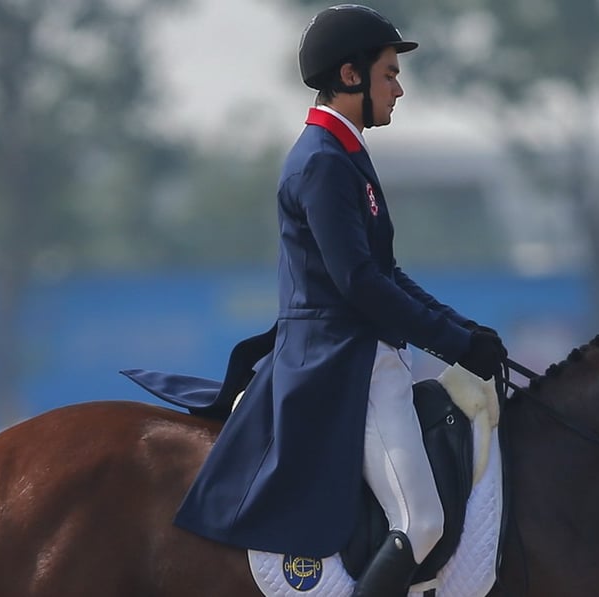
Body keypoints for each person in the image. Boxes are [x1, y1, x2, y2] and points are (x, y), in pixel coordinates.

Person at [162, 5, 507, 597]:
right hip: (342, 364)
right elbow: (360, 284)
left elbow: (385, 271)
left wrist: (466, 331)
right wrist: (452, 342)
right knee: (421, 520)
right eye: (389, 74)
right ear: (351, 76)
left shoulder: (347, 154)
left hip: (364, 355)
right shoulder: (322, 162)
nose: (398, 89)